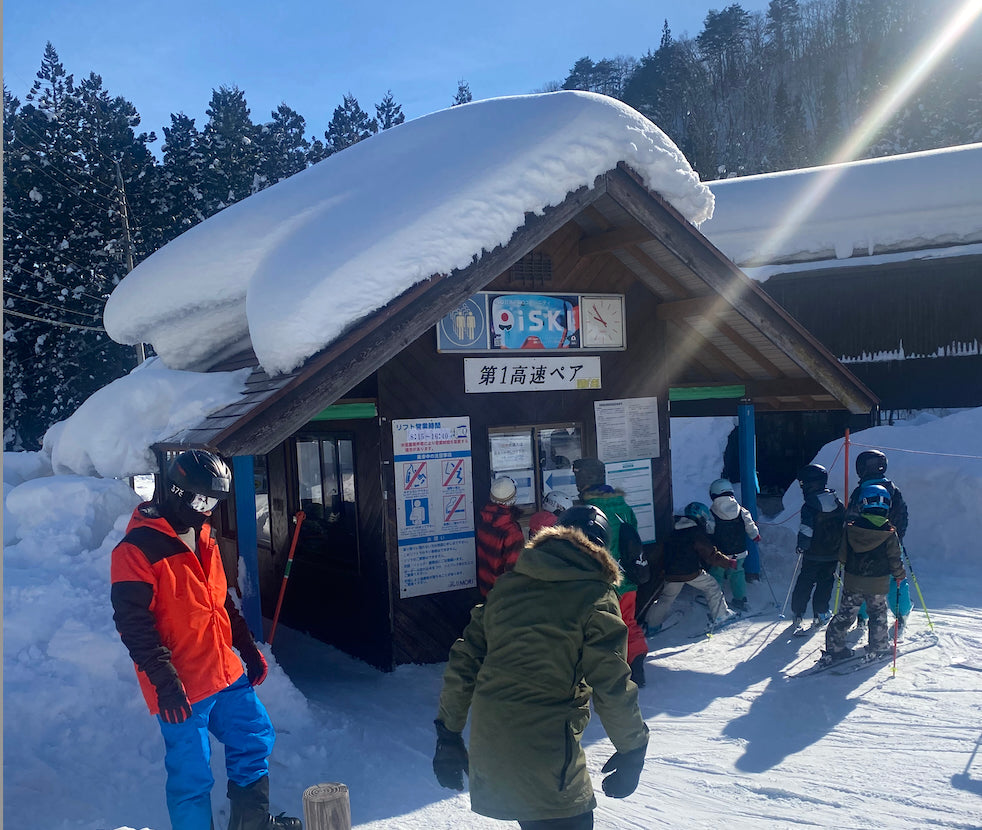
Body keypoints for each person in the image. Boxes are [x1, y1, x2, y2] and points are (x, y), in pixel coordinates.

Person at [110, 450, 301, 830]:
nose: (208, 510)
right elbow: (133, 624)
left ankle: (253, 824)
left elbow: (220, 600)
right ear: (178, 491)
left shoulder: (204, 535)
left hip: (223, 669)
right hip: (180, 683)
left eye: (215, 502)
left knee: (254, 738)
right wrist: (164, 682)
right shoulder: (135, 549)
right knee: (191, 776)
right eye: (202, 501)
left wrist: (246, 647)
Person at [432, 505, 649, 829]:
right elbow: (611, 682)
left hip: (493, 739)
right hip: (548, 748)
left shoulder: (507, 588)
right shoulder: (595, 594)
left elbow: (464, 662)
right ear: (600, 549)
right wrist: (633, 747)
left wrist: (448, 735)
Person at [572, 457, 649, 687]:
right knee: (628, 621)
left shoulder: (587, 512)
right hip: (628, 577)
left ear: (583, 480)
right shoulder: (623, 507)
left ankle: (609, 673)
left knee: (602, 628)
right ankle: (636, 660)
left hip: (603, 582)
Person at [820, 484, 906, 666]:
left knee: (845, 614)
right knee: (877, 614)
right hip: (877, 583)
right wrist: (899, 574)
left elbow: (842, 555)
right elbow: (894, 559)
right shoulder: (889, 533)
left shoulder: (851, 528)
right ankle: (879, 646)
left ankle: (834, 649)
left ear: (863, 504)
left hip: (853, 582)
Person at [846, 449, 913, 635]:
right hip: (889, 539)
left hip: (862, 544)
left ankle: (861, 615)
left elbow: (850, 517)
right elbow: (902, 515)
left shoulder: (860, 491)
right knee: (896, 578)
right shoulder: (892, 489)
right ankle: (902, 613)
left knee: (861, 578)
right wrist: (898, 536)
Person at [644, 502, 738, 633]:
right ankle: (720, 615)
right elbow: (710, 554)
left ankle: (651, 625)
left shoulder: (673, 531)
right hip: (690, 571)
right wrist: (728, 562)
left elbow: (661, 551)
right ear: (700, 517)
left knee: (665, 598)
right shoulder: (696, 533)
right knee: (712, 586)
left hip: (671, 572)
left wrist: (661, 569)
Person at [790, 464, 846, 631]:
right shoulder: (837, 502)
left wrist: (802, 545)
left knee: (805, 582)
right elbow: (842, 526)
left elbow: (806, 529)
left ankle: (798, 613)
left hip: (813, 553)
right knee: (825, 582)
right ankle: (820, 613)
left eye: (803, 483)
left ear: (810, 484)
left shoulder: (809, 506)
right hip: (832, 553)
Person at [707, 478, 761, 612]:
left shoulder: (712, 512)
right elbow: (750, 525)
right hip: (739, 551)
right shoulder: (741, 511)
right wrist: (755, 535)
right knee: (737, 574)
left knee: (717, 575)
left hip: (721, 553)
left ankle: (717, 602)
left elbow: (709, 530)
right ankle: (740, 599)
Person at [476, 476, 526, 598]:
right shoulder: (511, 532)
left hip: (484, 588)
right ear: (513, 498)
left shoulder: (483, 521)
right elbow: (514, 570)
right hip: (502, 596)